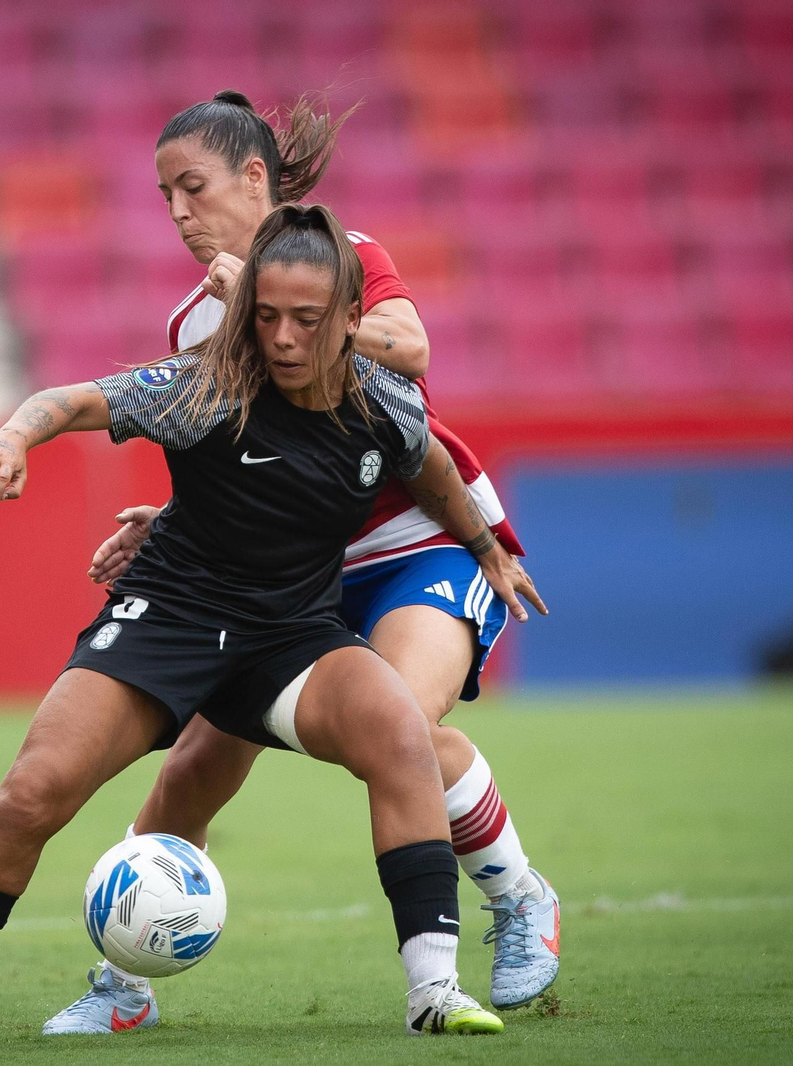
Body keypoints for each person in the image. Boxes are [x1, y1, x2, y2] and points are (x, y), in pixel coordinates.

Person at [0, 204, 542, 1049]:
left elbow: (428, 463)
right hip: (168, 625)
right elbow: (68, 401)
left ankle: (435, 991)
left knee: (399, 729)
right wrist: (12, 436)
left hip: (289, 639)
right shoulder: (205, 386)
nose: (280, 337)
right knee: (35, 792)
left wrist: (483, 546)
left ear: (352, 321)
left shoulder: (382, 401)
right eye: (265, 316)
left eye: (305, 321)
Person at [43, 91, 559, 1036]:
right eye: (164, 198)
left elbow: (409, 350)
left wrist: (283, 304)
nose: (179, 215)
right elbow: (254, 467)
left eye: (192, 187)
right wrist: (168, 519)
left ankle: (519, 895)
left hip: (415, 546)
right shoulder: (195, 326)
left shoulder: (349, 258)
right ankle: (123, 984)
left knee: (398, 724)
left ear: (253, 178)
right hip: (289, 576)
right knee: (195, 762)